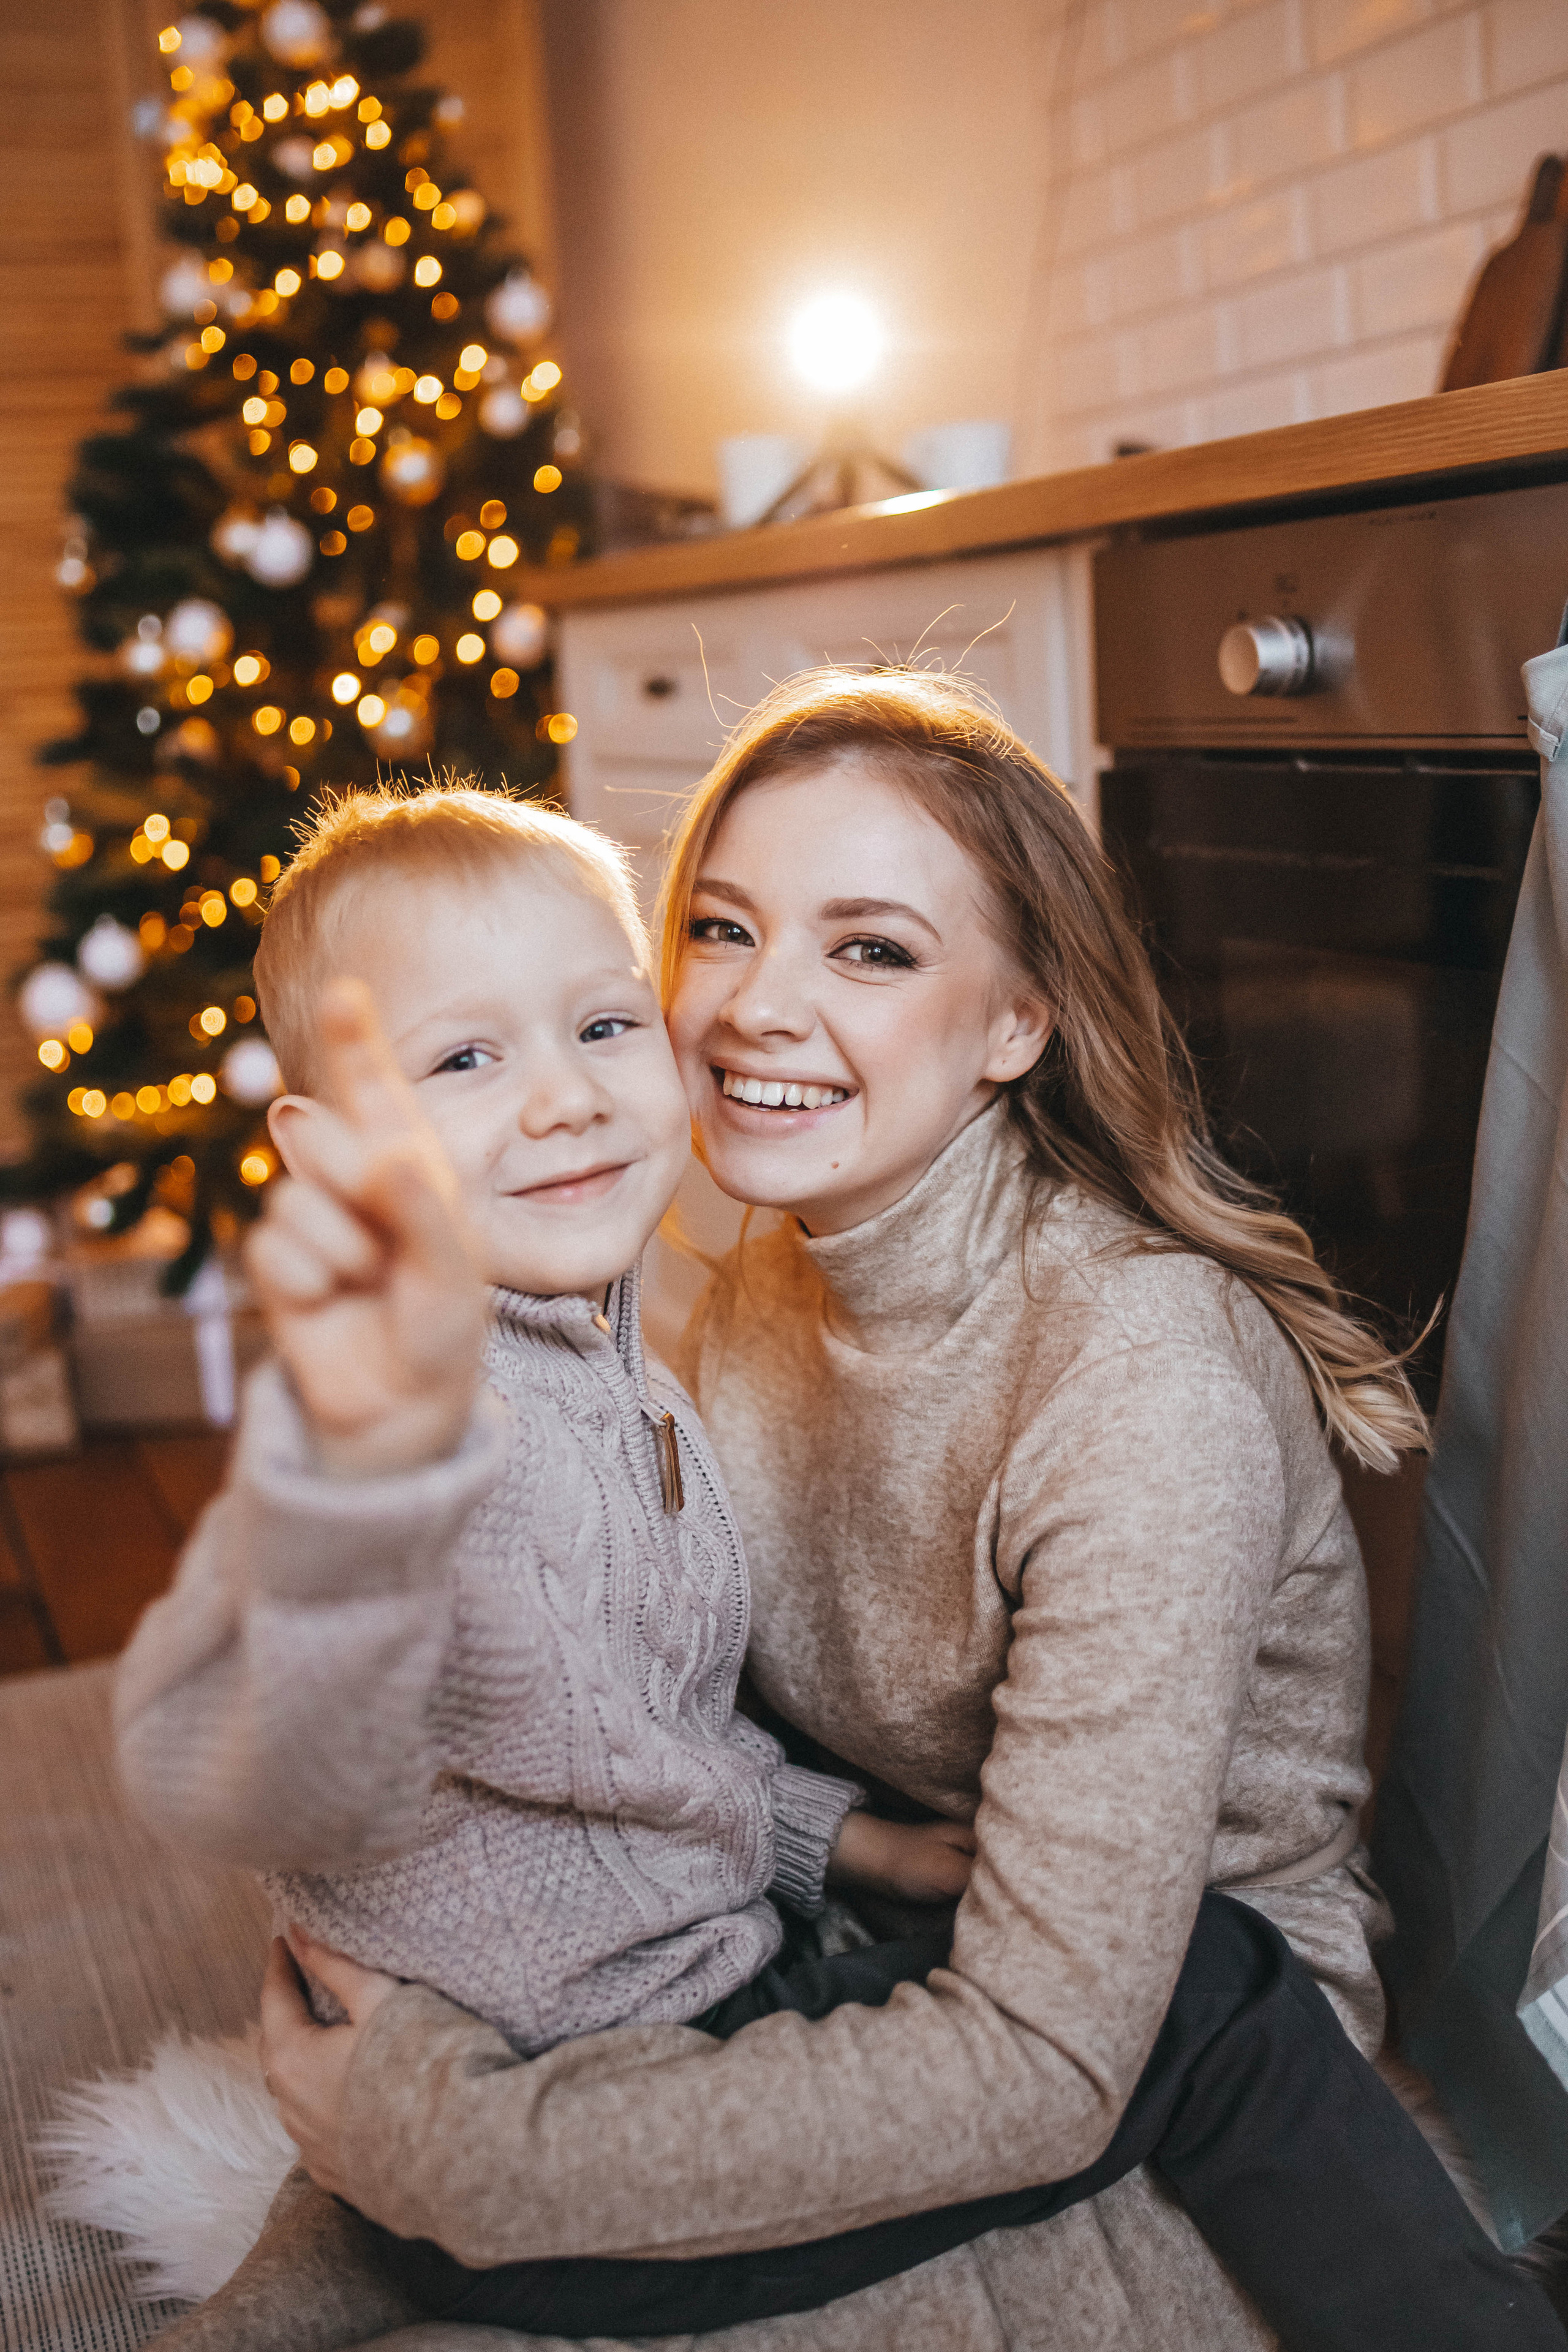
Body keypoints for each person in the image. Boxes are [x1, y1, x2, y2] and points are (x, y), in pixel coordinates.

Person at [146, 736, 1560, 2352]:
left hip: (1166, 2072)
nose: (757, 1004)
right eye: (722, 929)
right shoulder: (739, 1281)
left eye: (871, 948)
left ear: (1018, 1022)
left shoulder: (1137, 1382)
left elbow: (1054, 2048)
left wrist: (462, 2145)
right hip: (826, 1963)